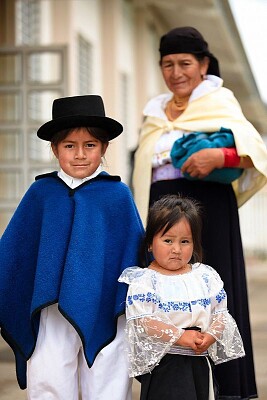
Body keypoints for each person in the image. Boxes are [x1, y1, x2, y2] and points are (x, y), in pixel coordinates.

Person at [132, 26, 267, 399]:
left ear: (204, 64)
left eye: (185, 63)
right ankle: (169, 388)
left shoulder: (220, 102)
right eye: (168, 64)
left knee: (215, 297)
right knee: (163, 298)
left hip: (209, 216)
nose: (176, 72)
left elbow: (253, 152)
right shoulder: (154, 113)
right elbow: (142, 169)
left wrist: (218, 156)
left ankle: (228, 390)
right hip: (161, 213)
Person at [0, 95, 144, 400]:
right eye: (69, 146)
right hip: (50, 309)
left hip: (107, 307)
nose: (80, 154)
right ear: (54, 148)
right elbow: (15, 254)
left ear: (104, 148)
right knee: (49, 376)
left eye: (90, 145)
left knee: (108, 379)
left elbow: (133, 254)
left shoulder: (117, 195)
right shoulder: (41, 193)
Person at [119, 195, 245, 400]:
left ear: (194, 244)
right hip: (166, 366)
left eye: (185, 241)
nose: (176, 249)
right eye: (168, 240)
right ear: (150, 243)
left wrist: (211, 335)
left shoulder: (205, 276)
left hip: (199, 361)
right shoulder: (145, 281)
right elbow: (145, 321)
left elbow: (221, 313)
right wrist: (180, 336)